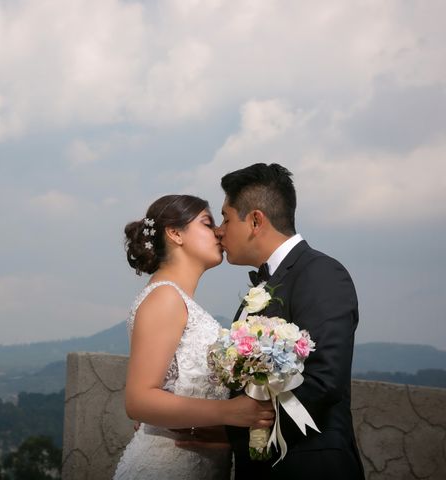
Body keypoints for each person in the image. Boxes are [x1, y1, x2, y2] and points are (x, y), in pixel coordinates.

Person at [180, 163, 364, 479]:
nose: (220, 230)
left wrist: (237, 427)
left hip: (310, 466)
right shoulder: (262, 288)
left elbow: (324, 381)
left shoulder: (321, 273)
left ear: (255, 221)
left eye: (225, 217)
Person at [113, 194, 275, 480]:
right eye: (207, 223)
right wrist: (230, 412)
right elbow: (138, 401)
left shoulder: (179, 300)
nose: (218, 232)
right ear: (175, 233)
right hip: (166, 466)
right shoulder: (165, 297)